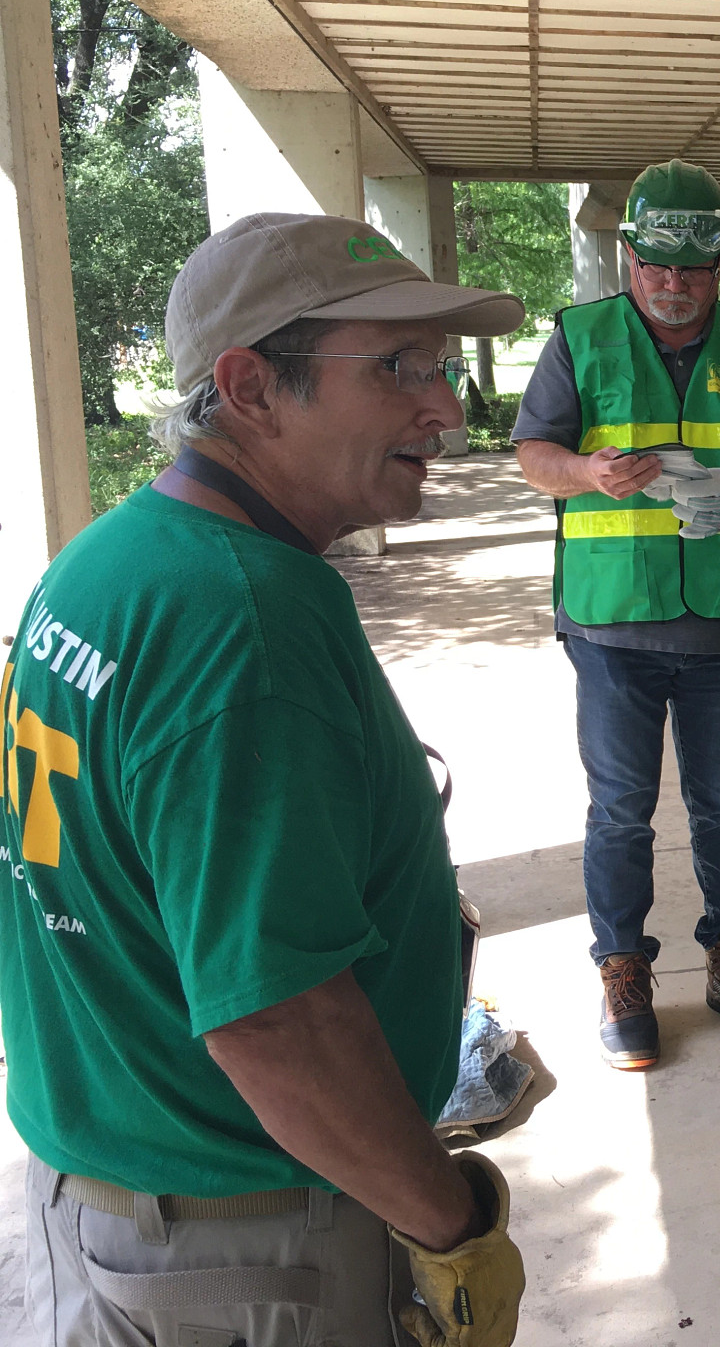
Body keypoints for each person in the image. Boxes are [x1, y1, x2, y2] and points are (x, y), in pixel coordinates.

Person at [2, 213, 527, 1346]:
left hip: (110, 1192)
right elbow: (275, 1020)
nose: (446, 408)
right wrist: (450, 1226)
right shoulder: (245, 618)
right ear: (249, 387)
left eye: (439, 367)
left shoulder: (111, 560)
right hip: (246, 1239)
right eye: (399, 368)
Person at [512, 159, 720, 1068]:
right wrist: (587, 472)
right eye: (657, 266)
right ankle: (622, 968)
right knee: (620, 810)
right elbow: (534, 450)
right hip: (612, 625)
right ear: (629, 257)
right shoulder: (580, 337)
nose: (674, 285)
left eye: (694, 268)